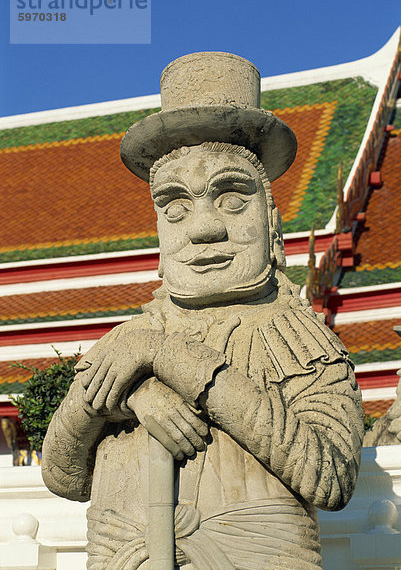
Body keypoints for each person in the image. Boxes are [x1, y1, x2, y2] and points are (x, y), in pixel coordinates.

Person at [42, 53, 364, 570]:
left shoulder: (303, 341)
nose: (203, 229)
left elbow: (328, 476)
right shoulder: (126, 341)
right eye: (174, 208)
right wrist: (131, 398)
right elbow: (63, 476)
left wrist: (172, 358)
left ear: (272, 219)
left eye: (233, 200)